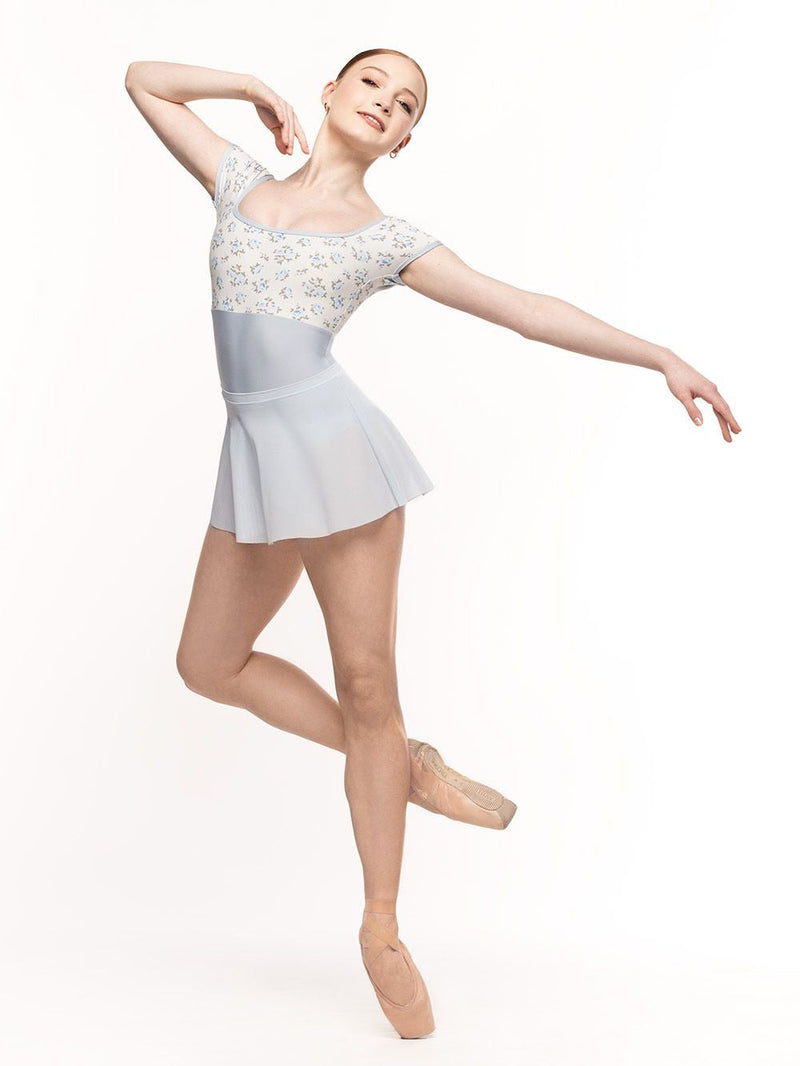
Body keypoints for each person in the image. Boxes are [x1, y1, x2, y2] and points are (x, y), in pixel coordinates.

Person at [124, 49, 741, 1039]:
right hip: (257, 457)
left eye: (405, 104)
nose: (387, 101)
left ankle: (381, 927)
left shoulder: (386, 239)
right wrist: (248, 89)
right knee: (208, 662)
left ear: (405, 141)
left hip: (340, 457)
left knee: (367, 684)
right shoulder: (238, 180)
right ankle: (402, 764)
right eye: (372, 82)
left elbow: (525, 310)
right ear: (331, 92)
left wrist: (659, 355)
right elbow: (142, 80)